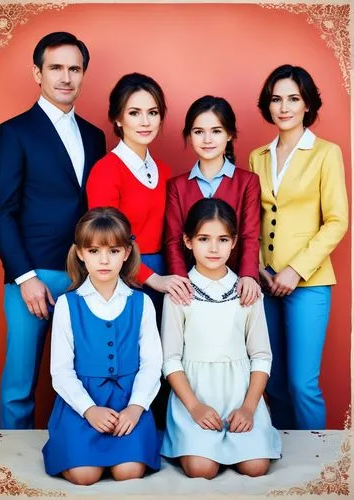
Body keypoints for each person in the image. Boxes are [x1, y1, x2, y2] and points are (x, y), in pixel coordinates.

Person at [0, 32, 106, 429]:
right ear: (38, 73)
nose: (66, 77)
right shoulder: (13, 132)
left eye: (74, 69)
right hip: (31, 275)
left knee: (79, 378)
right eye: (56, 68)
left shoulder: (95, 135)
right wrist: (24, 277)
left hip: (86, 275)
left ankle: (73, 455)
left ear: (83, 74)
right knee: (21, 382)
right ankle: (9, 474)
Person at [249, 64, 348, 430]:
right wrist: (258, 266)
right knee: (271, 382)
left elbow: (337, 220)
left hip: (308, 282)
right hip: (264, 282)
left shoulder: (326, 153)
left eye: (293, 98)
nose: (284, 106)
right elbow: (253, 220)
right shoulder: (257, 156)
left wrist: (295, 270)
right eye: (276, 99)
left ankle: (316, 466)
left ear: (307, 104)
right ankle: (287, 458)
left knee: (302, 384)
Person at [161, 198, 281, 479]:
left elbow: (262, 355)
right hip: (194, 394)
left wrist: (250, 407)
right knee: (202, 469)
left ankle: (249, 430)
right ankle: (192, 440)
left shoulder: (248, 292)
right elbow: (170, 359)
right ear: (188, 241)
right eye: (204, 238)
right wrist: (195, 406)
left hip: (240, 393)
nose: (214, 248)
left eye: (222, 239)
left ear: (234, 242)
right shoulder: (179, 293)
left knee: (255, 467)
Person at [42, 207, 162, 485]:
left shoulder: (140, 302)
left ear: (127, 252)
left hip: (129, 403)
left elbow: (152, 363)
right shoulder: (67, 304)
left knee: (128, 471)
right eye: (94, 251)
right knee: (84, 475)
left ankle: (130, 440)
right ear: (81, 254)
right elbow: (60, 371)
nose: (104, 260)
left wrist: (136, 407)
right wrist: (88, 409)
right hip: (82, 403)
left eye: (114, 250)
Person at [87, 72, 193, 319]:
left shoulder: (164, 171)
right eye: (134, 113)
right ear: (118, 118)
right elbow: (106, 239)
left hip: (166, 275)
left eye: (153, 113)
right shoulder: (106, 170)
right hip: (123, 275)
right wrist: (153, 278)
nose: (145, 122)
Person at [164, 96, 261, 307]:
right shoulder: (176, 186)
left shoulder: (248, 182)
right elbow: (173, 240)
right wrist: (180, 281)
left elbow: (250, 235)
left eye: (216, 131)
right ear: (189, 136)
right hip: (190, 289)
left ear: (230, 135)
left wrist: (248, 275)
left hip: (235, 287)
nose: (207, 140)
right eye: (199, 132)